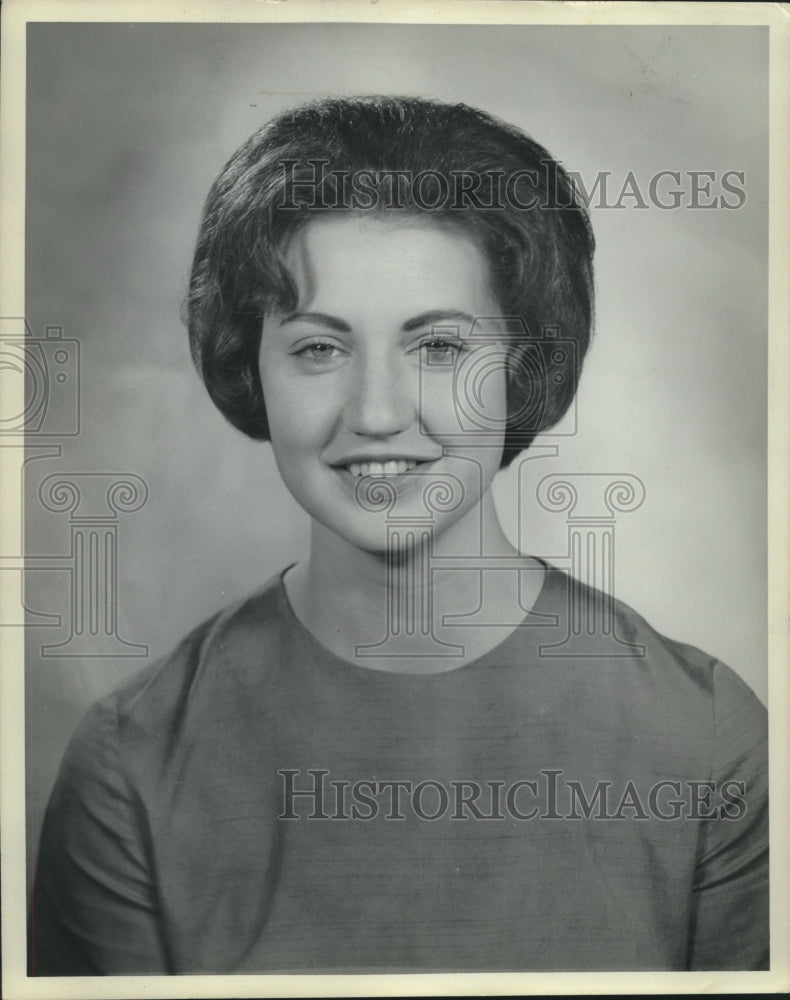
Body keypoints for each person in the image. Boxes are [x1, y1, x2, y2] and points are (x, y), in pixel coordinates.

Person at [30, 96, 768, 974]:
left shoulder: (706, 739)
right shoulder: (132, 766)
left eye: (442, 348)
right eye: (318, 349)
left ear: (523, 366)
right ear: (248, 364)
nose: (377, 414)